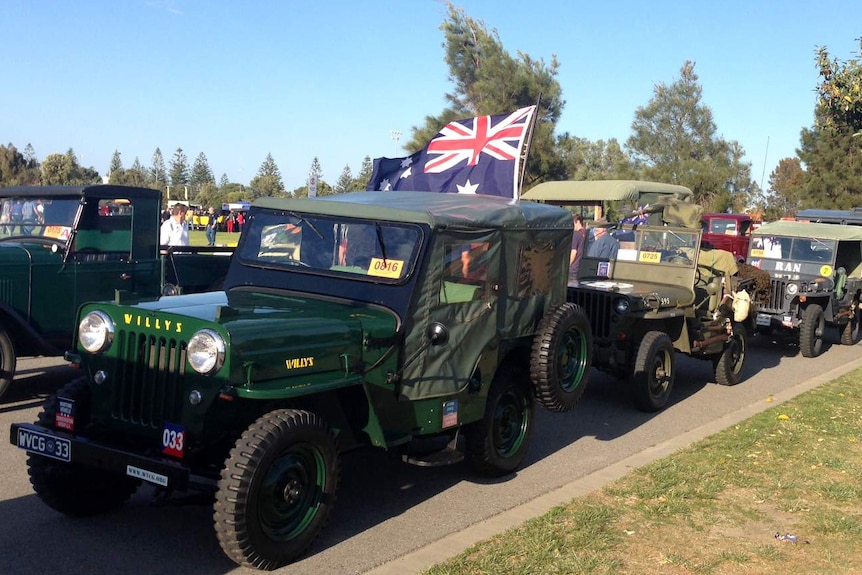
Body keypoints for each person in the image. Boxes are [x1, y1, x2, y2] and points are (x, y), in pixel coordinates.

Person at [569, 213, 586, 282]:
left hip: (573, 269)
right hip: (581, 267)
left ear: (578, 222)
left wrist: (568, 265)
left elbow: (574, 251)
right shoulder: (586, 233)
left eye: (573, 223)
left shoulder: (576, 234)